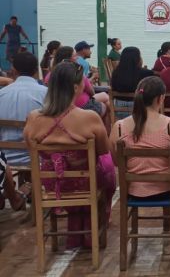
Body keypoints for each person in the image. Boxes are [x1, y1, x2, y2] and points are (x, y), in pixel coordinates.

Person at [23, 62, 116, 249]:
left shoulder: (34, 117)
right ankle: (95, 221)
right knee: (107, 163)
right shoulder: (88, 117)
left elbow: (30, 147)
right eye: (82, 82)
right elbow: (103, 149)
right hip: (85, 181)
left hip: (52, 183)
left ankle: (75, 224)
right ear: (75, 87)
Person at [109, 76, 170, 202]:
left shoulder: (119, 127)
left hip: (133, 190)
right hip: (168, 189)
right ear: (161, 98)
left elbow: (116, 162)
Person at [0, 52, 47, 169]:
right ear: (36, 70)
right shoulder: (46, 93)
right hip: (37, 156)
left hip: (4, 158)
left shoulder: (1, 94)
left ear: (13, 70)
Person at [47, 47, 110, 126]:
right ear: (68, 59)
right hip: (81, 105)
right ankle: (106, 132)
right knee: (106, 102)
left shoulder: (50, 75)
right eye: (74, 56)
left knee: (105, 99)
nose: (77, 57)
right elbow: (91, 91)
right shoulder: (77, 72)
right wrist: (93, 77)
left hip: (58, 106)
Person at [111, 47, 155, 119]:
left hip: (119, 111)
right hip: (140, 110)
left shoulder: (115, 73)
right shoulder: (146, 73)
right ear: (137, 58)